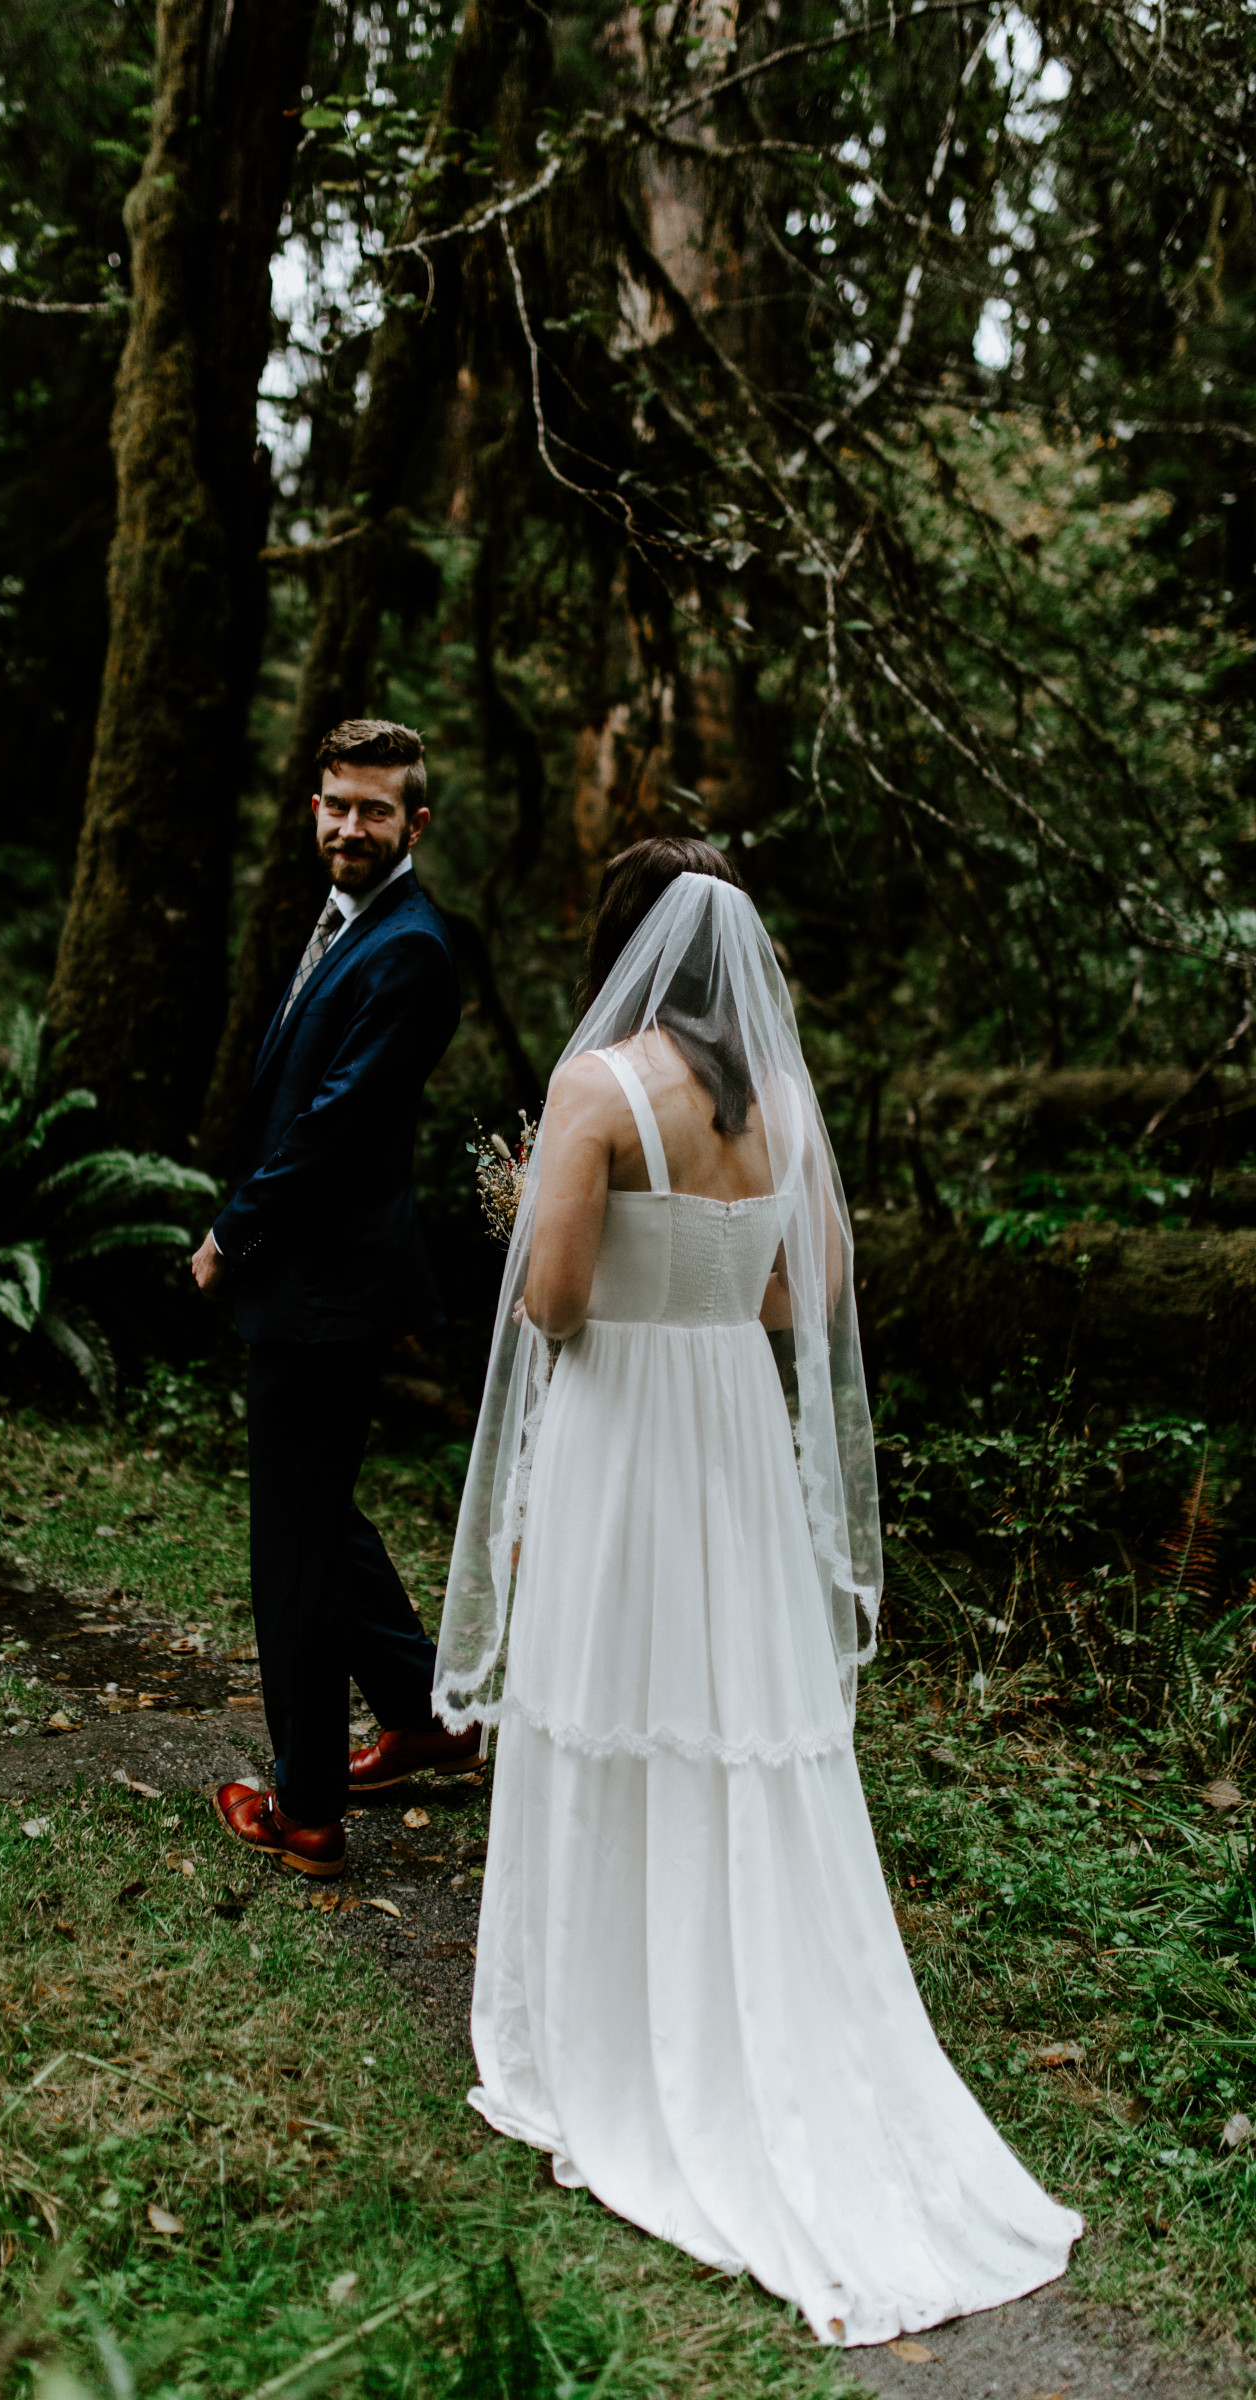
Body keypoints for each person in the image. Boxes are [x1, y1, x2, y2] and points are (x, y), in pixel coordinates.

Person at [432, 838, 1082, 2347]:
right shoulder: (780, 1103)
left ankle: (601, 2029)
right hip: (728, 1425)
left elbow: (560, 1304)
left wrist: (536, 1205)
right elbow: (817, 1294)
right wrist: (719, 1279)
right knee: (731, 1707)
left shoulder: (596, 1093)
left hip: (624, 1433)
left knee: (610, 1694)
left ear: (621, 946)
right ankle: (750, 2011)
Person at [192, 718, 480, 1880]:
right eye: (334, 805)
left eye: (373, 810)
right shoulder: (345, 922)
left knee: (293, 1550)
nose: (347, 826)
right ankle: (426, 1719)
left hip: (324, 1287)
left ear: (415, 822)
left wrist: (230, 1231)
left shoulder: (412, 947)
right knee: (316, 1511)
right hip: (317, 1282)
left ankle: (304, 1809)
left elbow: (337, 1127)